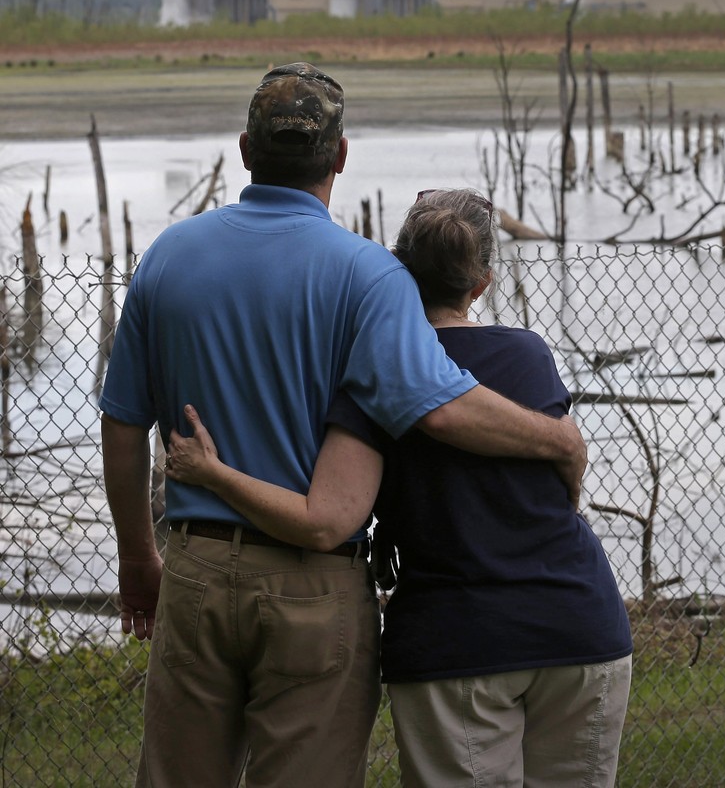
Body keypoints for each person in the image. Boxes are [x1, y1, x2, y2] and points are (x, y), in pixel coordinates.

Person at [99, 65, 586, 788]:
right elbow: (445, 407)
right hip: (313, 585)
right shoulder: (368, 275)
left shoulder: (169, 256)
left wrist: (139, 558)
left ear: (244, 149)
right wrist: (558, 439)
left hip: (196, 570)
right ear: (341, 156)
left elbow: (122, 422)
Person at [167, 187, 633, 788]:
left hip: (458, 643)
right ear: (483, 282)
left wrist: (214, 474)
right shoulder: (528, 355)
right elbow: (566, 461)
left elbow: (324, 520)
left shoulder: (371, 373)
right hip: (582, 625)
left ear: (397, 269)